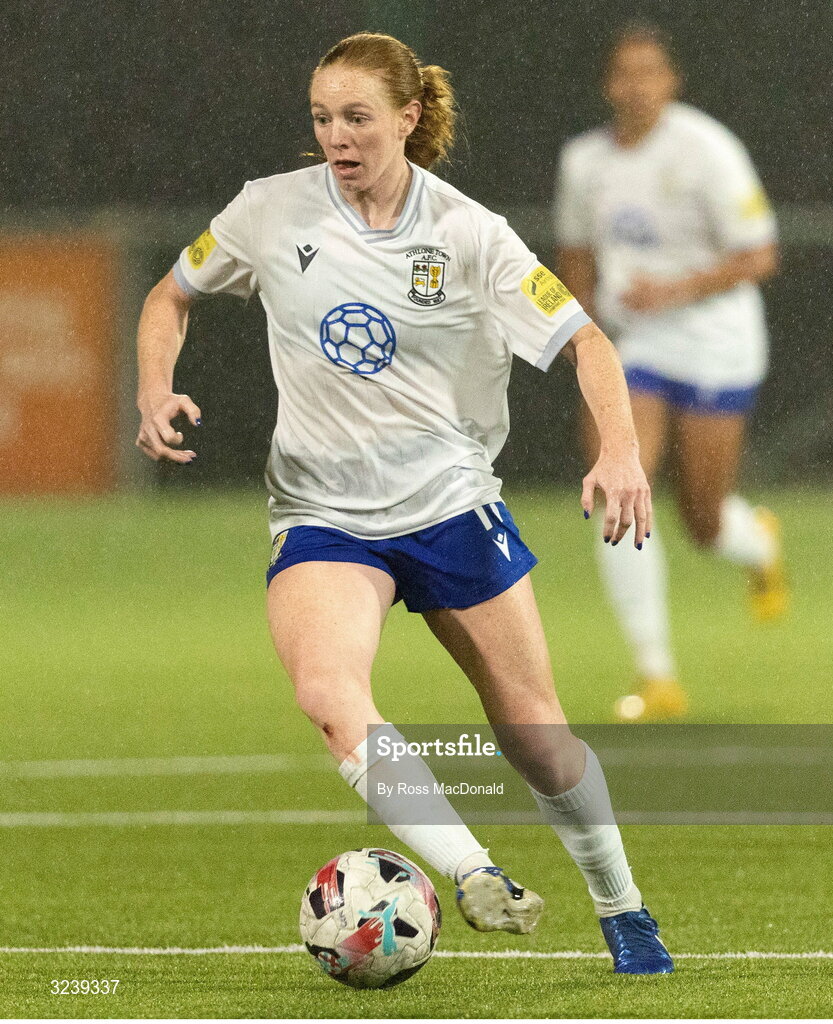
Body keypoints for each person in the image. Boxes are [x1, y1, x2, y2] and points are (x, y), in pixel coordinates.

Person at [136, 32, 672, 974]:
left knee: (538, 742)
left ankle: (622, 907)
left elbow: (588, 342)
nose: (335, 137)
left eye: (356, 118)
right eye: (320, 118)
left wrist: (620, 450)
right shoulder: (270, 210)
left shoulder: (469, 233)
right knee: (327, 694)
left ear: (408, 119)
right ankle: (470, 872)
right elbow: (168, 296)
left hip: (449, 504)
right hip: (322, 517)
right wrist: (153, 387)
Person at [555, 22, 786, 723]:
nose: (636, 85)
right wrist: (580, 336)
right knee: (616, 478)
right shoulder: (584, 161)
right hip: (639, 345)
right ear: (607, 84)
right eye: (624, 72)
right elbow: (575, 257)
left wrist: (675, 290)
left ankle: (756, 541)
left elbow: (759, 255)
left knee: (702, 520)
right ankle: (655, 675)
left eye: (649, 71)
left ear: (670, 80)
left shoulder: (706, 149)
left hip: (717, 342)